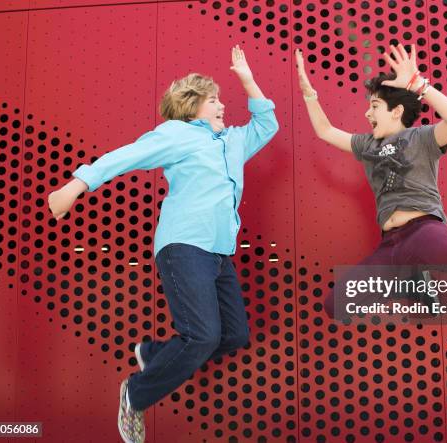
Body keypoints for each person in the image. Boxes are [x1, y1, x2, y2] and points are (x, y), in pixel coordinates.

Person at [48, 45, 279, 443]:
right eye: (214, 100)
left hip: (219, 254)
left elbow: (267, 125)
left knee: (234, 335)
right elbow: (127, 156)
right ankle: (136, 394)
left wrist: (247, 80)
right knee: (202, 336)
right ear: (192, 106)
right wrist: (77, 185)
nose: (223, 105)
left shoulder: (233, 141)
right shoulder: (177, 134)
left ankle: (154, 356)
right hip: (184, 245)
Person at [295, 43, 447, 319]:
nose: (367, 113)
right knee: (336, 306)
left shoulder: (421, 138)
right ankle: (411, 282)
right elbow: (325, 131)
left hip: (424, 230)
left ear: (396, 111)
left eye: (374, 106)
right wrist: (308, 94)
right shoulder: (367, 144)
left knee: (440, 248)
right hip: (391, 245)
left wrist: (419, 85)